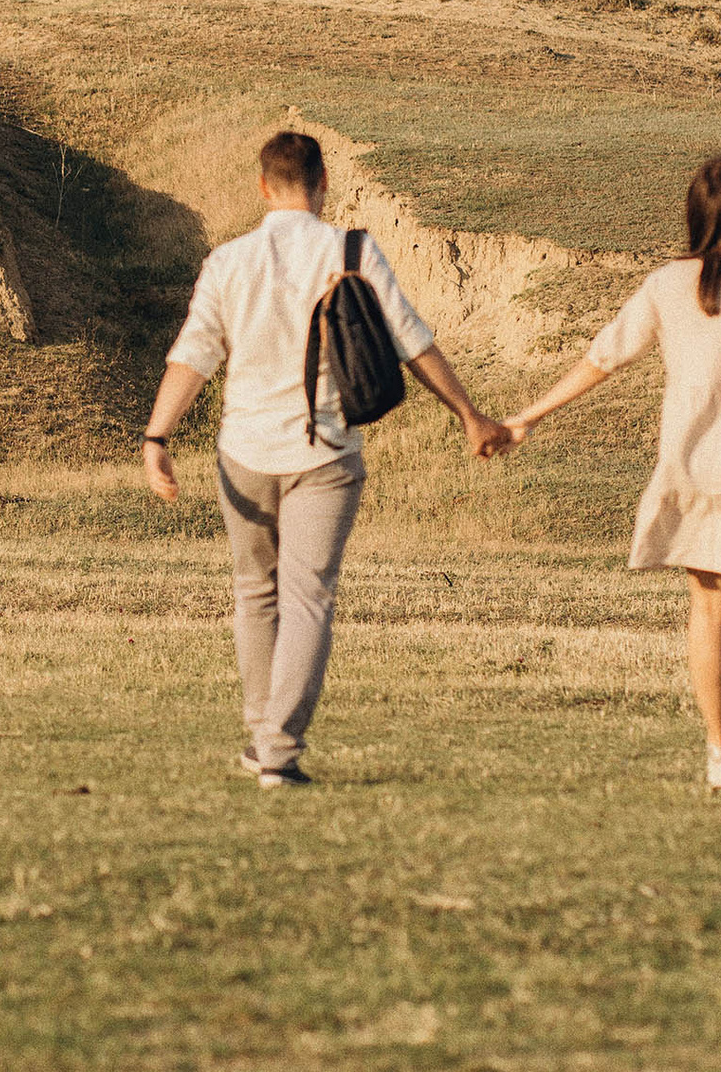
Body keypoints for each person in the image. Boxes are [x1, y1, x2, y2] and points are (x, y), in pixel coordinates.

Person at [141, 131, 511, 790]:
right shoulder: (351, 249)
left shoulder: (228, 260)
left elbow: (192, 355)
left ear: (262, 186)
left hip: (243, 453)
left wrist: (157, 437)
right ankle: (275, 750)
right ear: (323, 183)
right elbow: (411, 342)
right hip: (325, 451)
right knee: (307, 596)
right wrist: (468, 413)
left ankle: (264, 737)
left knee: (255, 594)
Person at [502, 154, 721, 791]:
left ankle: (718, 747)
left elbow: (602, 358)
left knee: (706, 606)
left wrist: (529, 415)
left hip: (690, 468)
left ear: (693, 213)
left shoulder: (667, 284)